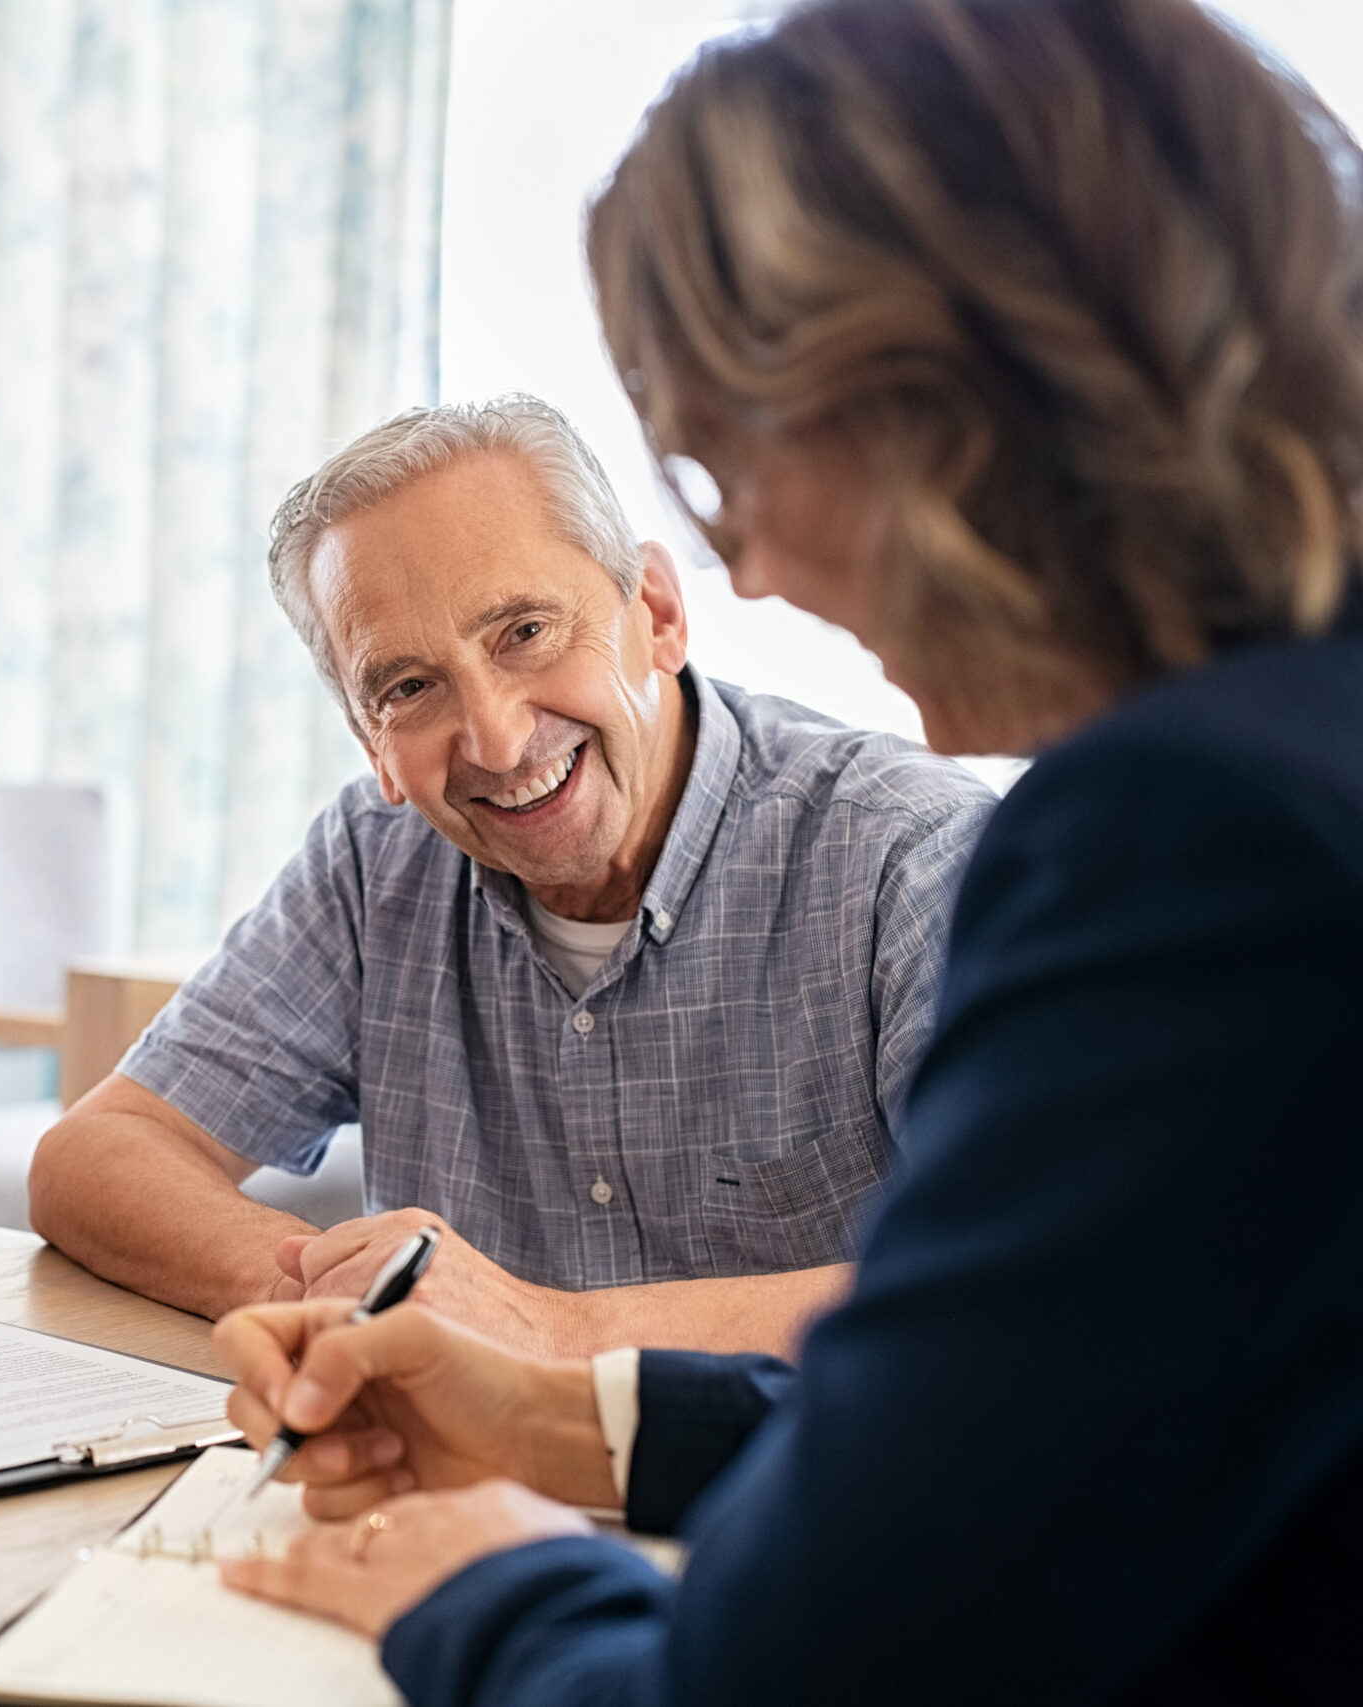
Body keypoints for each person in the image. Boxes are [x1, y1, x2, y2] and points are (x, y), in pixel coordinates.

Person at [210, 0, 1363, 1698]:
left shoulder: (1190, 844)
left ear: (929, 396)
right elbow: (1044, 1422)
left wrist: (494, 1587)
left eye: (721, 452)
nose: (740, 562)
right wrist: (575, 1424)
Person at [29, 396, 995, 1360]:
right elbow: (93, 1156)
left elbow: (1029, 1276)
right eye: (409, 688)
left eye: (525, 631)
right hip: (456, 1502)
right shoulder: (376, 863)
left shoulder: (911, 856)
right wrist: (360, 1296)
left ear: (655, 614)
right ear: (375, 744)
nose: (494, 737)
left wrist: (546, 1331)